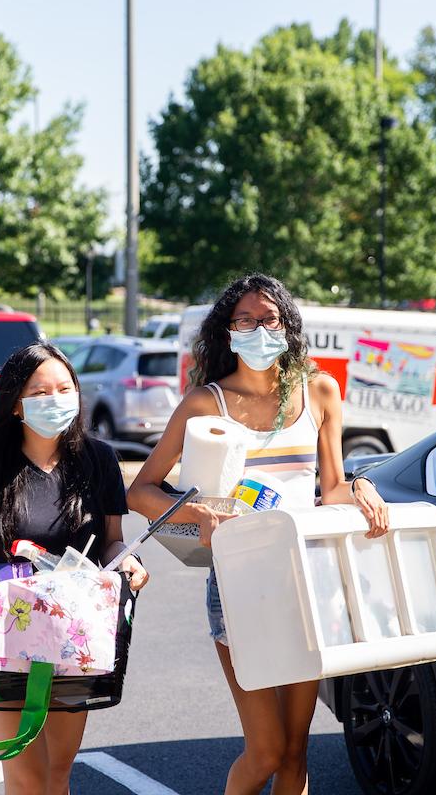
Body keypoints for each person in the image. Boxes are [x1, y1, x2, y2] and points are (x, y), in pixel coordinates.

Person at [127, 274, 389, 795]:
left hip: (308, 582)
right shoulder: (206, 403)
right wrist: (195, 512)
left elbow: (330, 488)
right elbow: (141, 492)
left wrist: (361, 488)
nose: (256, 329)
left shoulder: (319, 390)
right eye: (243, 320)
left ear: (287, 326)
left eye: (267, 318)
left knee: (295, 752)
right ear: (227, 331)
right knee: (265, 749)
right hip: (237, 585)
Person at [0, 342, 148, 795]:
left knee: (58, 769)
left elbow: (113, 539)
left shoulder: (98, 459)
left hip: (74, 629)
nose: (55, 399)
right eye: (40, 391)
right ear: (15, 403)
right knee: (24, 774)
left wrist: (130, 561)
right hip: (0, 630)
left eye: (64, 388)